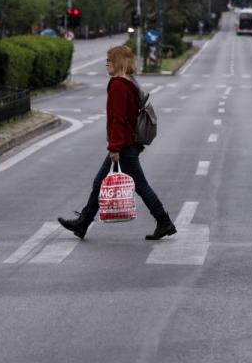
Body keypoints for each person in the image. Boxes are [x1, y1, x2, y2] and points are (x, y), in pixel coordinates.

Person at [57, 45, 177, 241]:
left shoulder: (118, 86)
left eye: (109, 61)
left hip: (124, 146)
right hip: (127, 143)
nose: (106, 64)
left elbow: (118, 120)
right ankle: (83, 223)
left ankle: (164, 222)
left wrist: (114, 147)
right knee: (102, 182)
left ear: (118, 63)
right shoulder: (129, 83)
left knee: (140, 185)